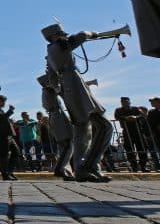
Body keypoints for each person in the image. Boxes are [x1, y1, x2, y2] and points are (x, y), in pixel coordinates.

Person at [42, 24, 114, 182]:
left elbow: (52, 79)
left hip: (70, 88)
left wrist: (62, 91)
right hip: (75, 85)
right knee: (105, 126)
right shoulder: (58, 46)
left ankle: (82, 169)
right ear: (54, 36)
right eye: (61, 33)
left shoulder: (51, 54)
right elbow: (82, 35)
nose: (65, 36)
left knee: (83, 132)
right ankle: (89, 166)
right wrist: (95, 33)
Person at [38, 73, 75, 180]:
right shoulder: (49, 90)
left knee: (64, 145)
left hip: (56, 115)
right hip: (58, 116)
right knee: (67, 144)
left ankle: (65, 170)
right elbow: (64, 89)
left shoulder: (46, 91)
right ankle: (60, 168)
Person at [114, 97, 150, 172]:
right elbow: (117, 117)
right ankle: (134, 167)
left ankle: (143, 167)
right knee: (129, 149)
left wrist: (135, 117)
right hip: (127, 131)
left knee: (142, 148)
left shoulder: (136, 108)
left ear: (129, 102)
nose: (125, 103)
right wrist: (126, 118)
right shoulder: (118, 110)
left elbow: (142, 115)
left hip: (138, 131)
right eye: (123, 102)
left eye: (126, 101)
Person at [0, 95, 19, 181]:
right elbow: (2, 118)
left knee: (16, 151)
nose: (4, 103)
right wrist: (10, 111)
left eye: (4, 101)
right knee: (4, 155)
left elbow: (4, 119)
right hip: (2, 136)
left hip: (8, 135)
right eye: (3, 101)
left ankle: (10, 172)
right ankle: (5, 175)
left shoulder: (1, 110)